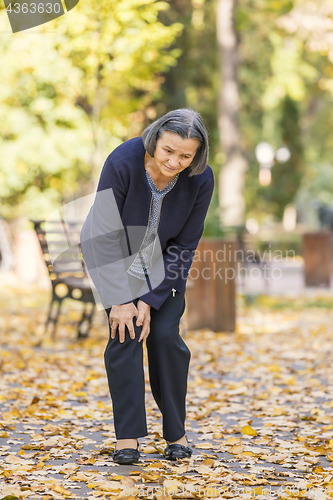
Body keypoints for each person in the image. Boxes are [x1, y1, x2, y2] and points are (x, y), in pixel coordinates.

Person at [81, 108, 214, 464]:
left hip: (165, 267)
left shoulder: (200, 178)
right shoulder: (122, 161)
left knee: (166, 338)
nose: (175, 161)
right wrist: (123, 299)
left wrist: (150, 300)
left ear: (197, 155)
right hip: (112, 255)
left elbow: (185, 244)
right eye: (168, 150)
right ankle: (128, 438)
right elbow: (105, 233)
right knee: (125, 332)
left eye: (186, 155)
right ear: (155, 140)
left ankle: (176, 433)